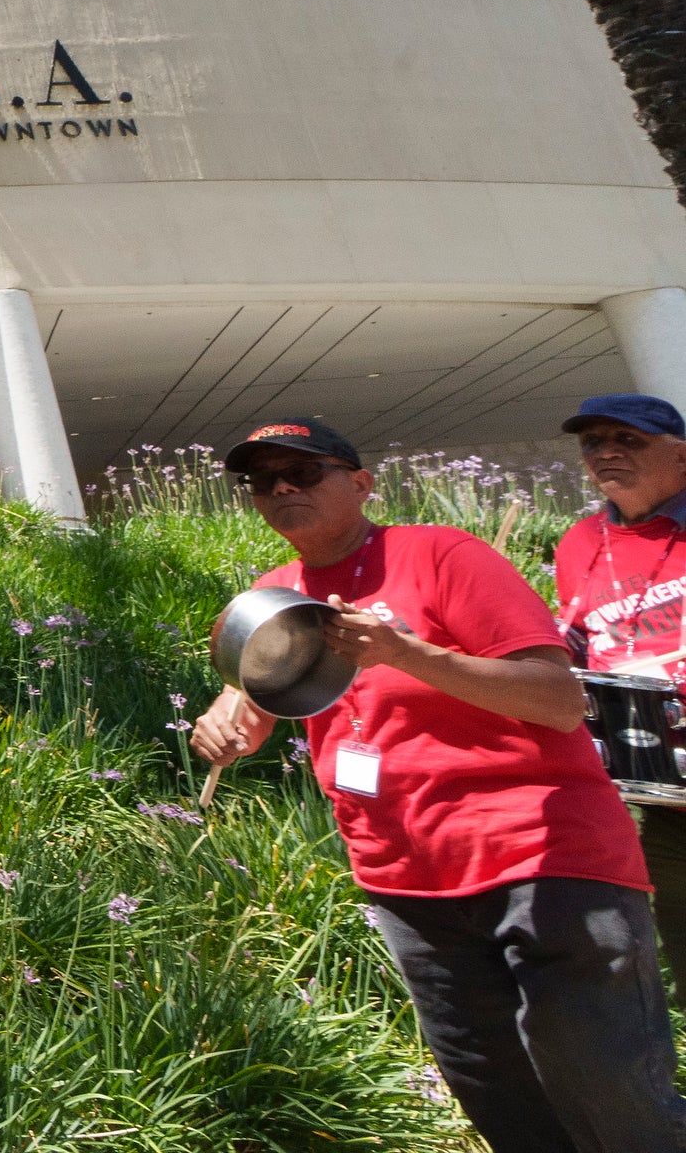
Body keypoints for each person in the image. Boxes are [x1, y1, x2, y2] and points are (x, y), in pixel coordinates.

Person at [188, 417, 684, 1153]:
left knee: (607, 1091)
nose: (283, 487)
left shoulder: (440, 554)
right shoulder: (275, 593)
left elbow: (558, 698)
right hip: (407, 882)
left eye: (304, 471)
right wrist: (229, 719)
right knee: (498, 1095)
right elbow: (260, 699)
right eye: (264, 480)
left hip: (541, 858)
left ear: (359, 483)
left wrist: (405, 653)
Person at [547, 392, 686, 974]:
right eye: (593, 443)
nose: (606, 453)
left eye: (628, 440)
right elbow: (578, 638)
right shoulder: (580, 542)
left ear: (681, 455)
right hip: (661, 789)